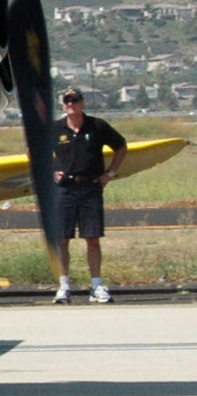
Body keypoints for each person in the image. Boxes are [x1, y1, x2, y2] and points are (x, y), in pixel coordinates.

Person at [50, 86, 127, 304]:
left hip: (91, 187)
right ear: (63, 105)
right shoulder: (56, 128)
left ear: (82, 103)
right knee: (62, 238)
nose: (71, 104)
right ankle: (64, 286)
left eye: (75, 100)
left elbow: (121, 147)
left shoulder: (97, 126)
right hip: (64, 188)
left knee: (92, 238)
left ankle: (96, 285)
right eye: (67, 101)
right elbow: (33, 149)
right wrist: (50, 171)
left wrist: (109, 174)